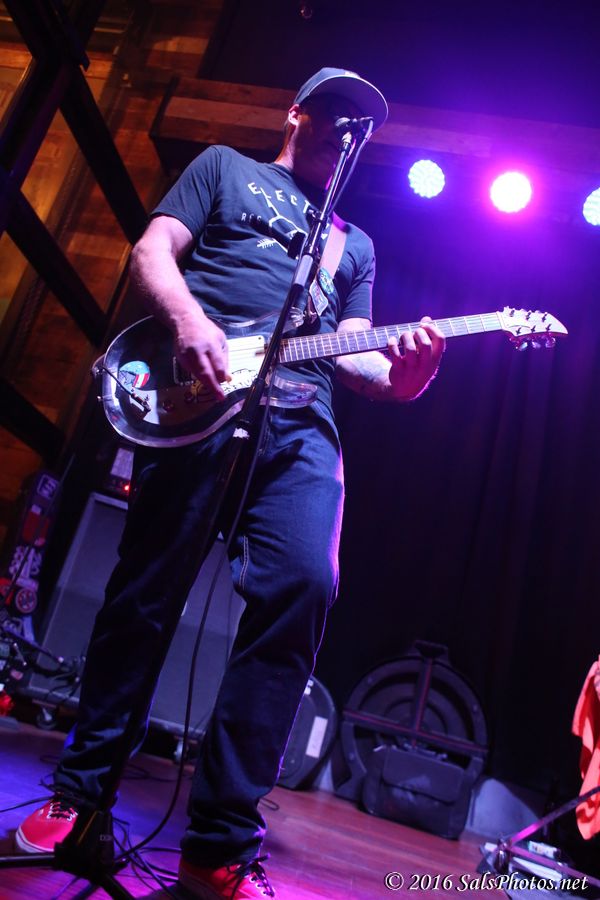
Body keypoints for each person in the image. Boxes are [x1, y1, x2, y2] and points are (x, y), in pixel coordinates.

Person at [15, 68, 445, 898]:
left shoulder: (354, 245)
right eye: (336, 113)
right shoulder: (224, 168)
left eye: (361, 125)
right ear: (296, 113)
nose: (347, 131)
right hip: (198, 397)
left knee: (304, 585)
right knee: (144, 596)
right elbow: (152, 252)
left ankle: (217, 847)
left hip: (302, 421)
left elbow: (355, 353)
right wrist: (188, 321)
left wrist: (405, 380)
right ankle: (80, 796)